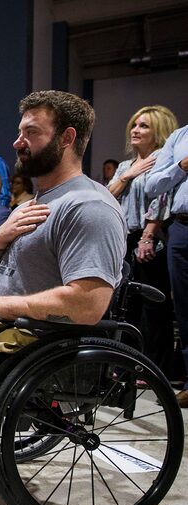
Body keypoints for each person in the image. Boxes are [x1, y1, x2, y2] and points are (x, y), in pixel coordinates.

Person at [0, 90, 126, 336]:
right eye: (20, 133)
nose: (17, 142)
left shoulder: (89, 206)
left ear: (66, 138)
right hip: (3, 338)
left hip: (40, 353)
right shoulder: (24, 208)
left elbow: (88, 306)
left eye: (31, 133)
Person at [109, 104, 179, 378]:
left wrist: (148, 236)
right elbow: (107, 195)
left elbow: (162, 201)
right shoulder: (126, 166)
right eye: (135, 125)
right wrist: (126, 175)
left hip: (150, 239)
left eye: (144, 126)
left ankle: (153, 368)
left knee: (153, 307)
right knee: (126, 306)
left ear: (159, 131)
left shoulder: (164, 161)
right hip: (125, 239)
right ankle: (125, 365)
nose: (136, 130)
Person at [147, 122, 188, 406]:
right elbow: (152, 185)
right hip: (183, 228)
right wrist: (182, 166)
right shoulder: (180, 136)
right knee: (185, 310)